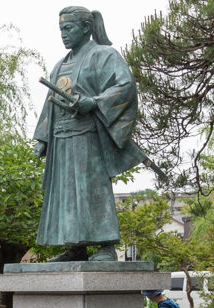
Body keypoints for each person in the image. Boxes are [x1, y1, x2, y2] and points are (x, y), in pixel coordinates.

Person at [33, 7, 143, 262]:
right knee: (65, 194)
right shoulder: (60, 66)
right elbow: (51, 101)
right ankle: (75, 247)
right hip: (61, 140)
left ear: (85, 28)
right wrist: (43, 138)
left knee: (91, 190)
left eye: (68, 29)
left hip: (87, 137)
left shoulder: (104, 55)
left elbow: (125, 86)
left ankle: (106, 246)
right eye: (60, 30)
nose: (63, 35)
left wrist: (94, 101)